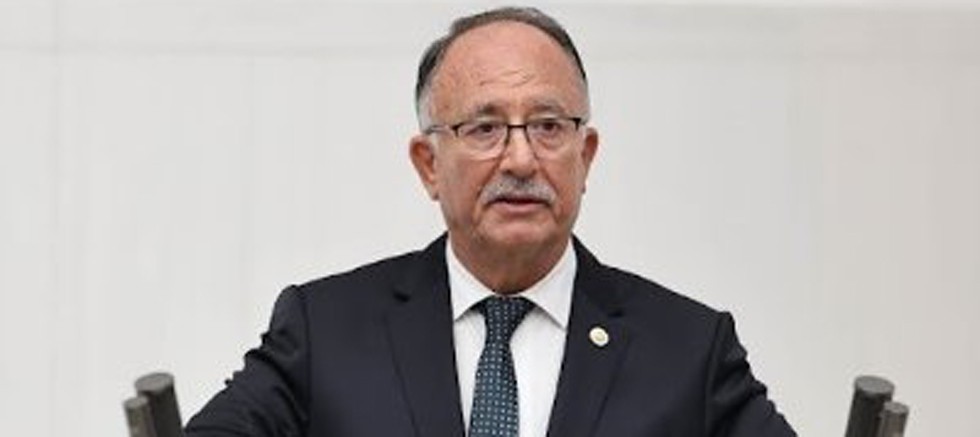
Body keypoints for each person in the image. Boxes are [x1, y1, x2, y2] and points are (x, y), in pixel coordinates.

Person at [185, 6, 795, 437]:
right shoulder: (325, 332)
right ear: (429, 164)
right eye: (484, 129)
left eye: (549, 127)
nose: (521, 159)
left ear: (585, 157)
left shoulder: (689, 350)